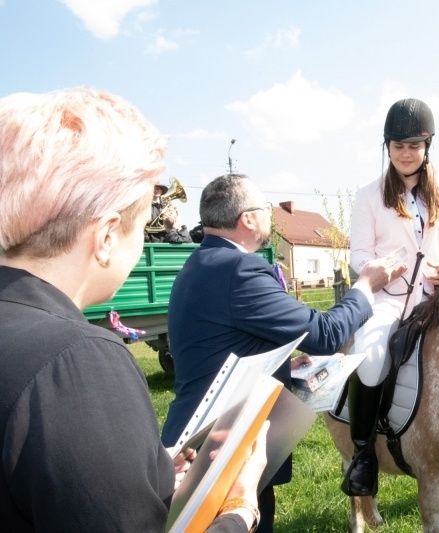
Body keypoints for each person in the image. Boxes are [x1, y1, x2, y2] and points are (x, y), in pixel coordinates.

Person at [0, 87, 266, 532]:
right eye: (142, 225)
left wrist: (147, 468)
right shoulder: (77, 362)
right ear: (106, 236)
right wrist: (240, 509)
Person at [161, 173, 405, 532]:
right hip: (220, 452)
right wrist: (366, 286)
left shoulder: (202, 263)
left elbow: (218, 345)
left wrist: (280, 363)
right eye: (265, 209)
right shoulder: (239, 269)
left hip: (195, 443)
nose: (270, 218)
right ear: (247, 218)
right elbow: (324, 334)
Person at [343, 98, 439, 497]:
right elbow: (358, 253)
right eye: (398, 146)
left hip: (436, 298)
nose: (406, 154)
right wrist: (381, 266)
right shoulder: (369, 195)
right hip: (389, 298)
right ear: (388, 148)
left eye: (414, 146)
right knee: (373, 356)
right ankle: (363, 455)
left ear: (427, 147)